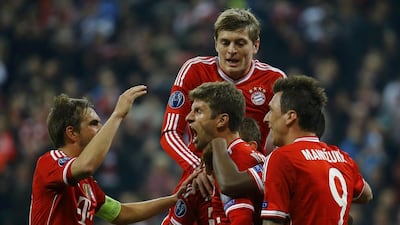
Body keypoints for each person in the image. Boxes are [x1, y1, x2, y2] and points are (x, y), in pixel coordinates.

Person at [160, 8, 286, 224]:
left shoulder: (273, 80)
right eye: (225, 42)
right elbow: (171, 131)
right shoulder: (195, 70)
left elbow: (285, 142)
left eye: (240, 43)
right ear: (215, 44)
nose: (231, 50)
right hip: (200, 178)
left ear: (255, 45)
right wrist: (198, 167)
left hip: (246, 178)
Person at [209, 75, 373, 225]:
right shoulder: (341, 157)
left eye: (271, 110)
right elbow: (366, 194)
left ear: (290, 116)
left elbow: (270, 221)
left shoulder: (283, 158)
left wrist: (218, 140)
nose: (266, 118)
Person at [29, 85, 198, 225]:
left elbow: (121, 213)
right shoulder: (49, 162)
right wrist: (117, 115)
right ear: (72, 133)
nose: (101, 129)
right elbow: (86, 165)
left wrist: (173, 200)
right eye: (94, 123)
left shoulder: (87, 184)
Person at [186, 81, 264, 224]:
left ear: (222, 120)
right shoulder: (239, 155)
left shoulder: (235, 163)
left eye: (198, 111)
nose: (188, 117)